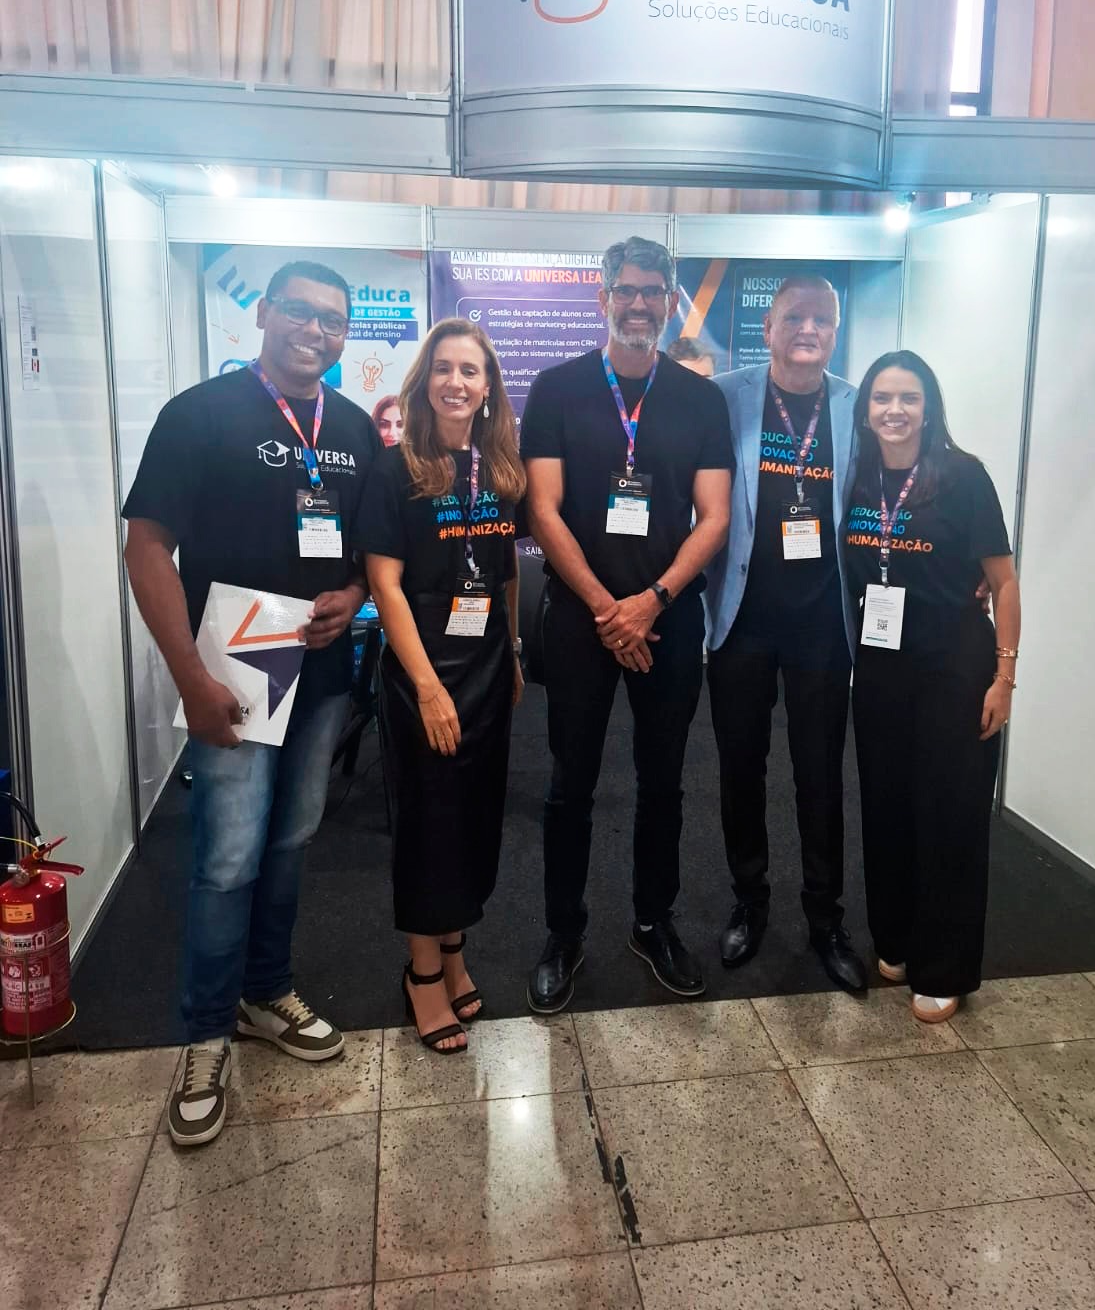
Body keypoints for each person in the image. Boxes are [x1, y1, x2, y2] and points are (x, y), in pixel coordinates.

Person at [123, 260, 378, 1146]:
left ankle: (265, 993)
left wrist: (353, 596)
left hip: (322, 667)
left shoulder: (353, 428)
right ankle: (204, 1034)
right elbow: (147, 548)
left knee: (293, 838)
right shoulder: (198, 414)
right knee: (228, 856)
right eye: (300, 312)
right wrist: (189, 678)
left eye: (333, 321)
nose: (315, 330)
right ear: (264, 314)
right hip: (232, 667)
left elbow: (363, 552)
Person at [521, 237, 733, 1013]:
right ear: (603, 297)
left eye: (653, 292)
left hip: (667, 618)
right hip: (581, 621)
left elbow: (714, 517)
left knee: (664, 781)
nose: (639, 304)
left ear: (671, 300)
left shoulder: (699, 399)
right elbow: (543, 510)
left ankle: (653, 921)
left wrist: (652, 601)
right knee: (570, 783)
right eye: (627, 290)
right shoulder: (557, 389)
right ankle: (563, 932)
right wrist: (608, 609)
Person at [357, 320, 523, 1054]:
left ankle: (455, 952)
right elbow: (384, 585)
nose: (457, 382)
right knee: (428, 820)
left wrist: (512, 654)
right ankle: (422, 973)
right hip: (423, 666)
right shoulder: (395, 469)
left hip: (486, 663)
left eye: (471, 371)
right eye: (445, 368)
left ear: (489, 388)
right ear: (426, 379)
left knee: (475, 814)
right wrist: (426, 687)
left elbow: (506, 573)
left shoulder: (499, 468)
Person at [844, 351, 1020, 1023]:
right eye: (882, 397)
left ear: (929, 407)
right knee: (887, 806)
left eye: (909, 398)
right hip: (881, 668)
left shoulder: (963, 475)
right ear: (865, 409)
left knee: (950, 814)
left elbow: (1004, 583)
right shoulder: (857, 476)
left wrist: (1005, 677)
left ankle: (944, 966)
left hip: (955, 668)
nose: (895, 410)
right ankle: (895, 940)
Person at [703, 277, 868, 992]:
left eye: (822, 319)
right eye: (794, 317)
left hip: (823, 625)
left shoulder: (857, 405)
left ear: (835, 330)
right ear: (767, 328)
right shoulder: (724, 397)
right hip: (741, 617)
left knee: (820, 775)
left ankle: (825, 918)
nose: (808, 329)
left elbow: (907, 479)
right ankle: (750, 900)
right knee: (741, 770)